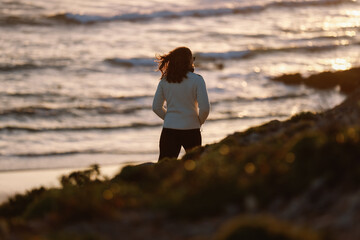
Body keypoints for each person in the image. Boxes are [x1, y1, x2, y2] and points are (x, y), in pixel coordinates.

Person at [152, 46, 210, 161]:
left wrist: (170, 118)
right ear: (188, 61)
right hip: (192, 130)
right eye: (192, 59)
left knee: (165, 168)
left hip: (169, 130)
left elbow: (156, 107)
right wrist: (198, 122)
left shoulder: (165, 81)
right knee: (195, 166)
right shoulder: (197, 80)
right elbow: (205, 109)